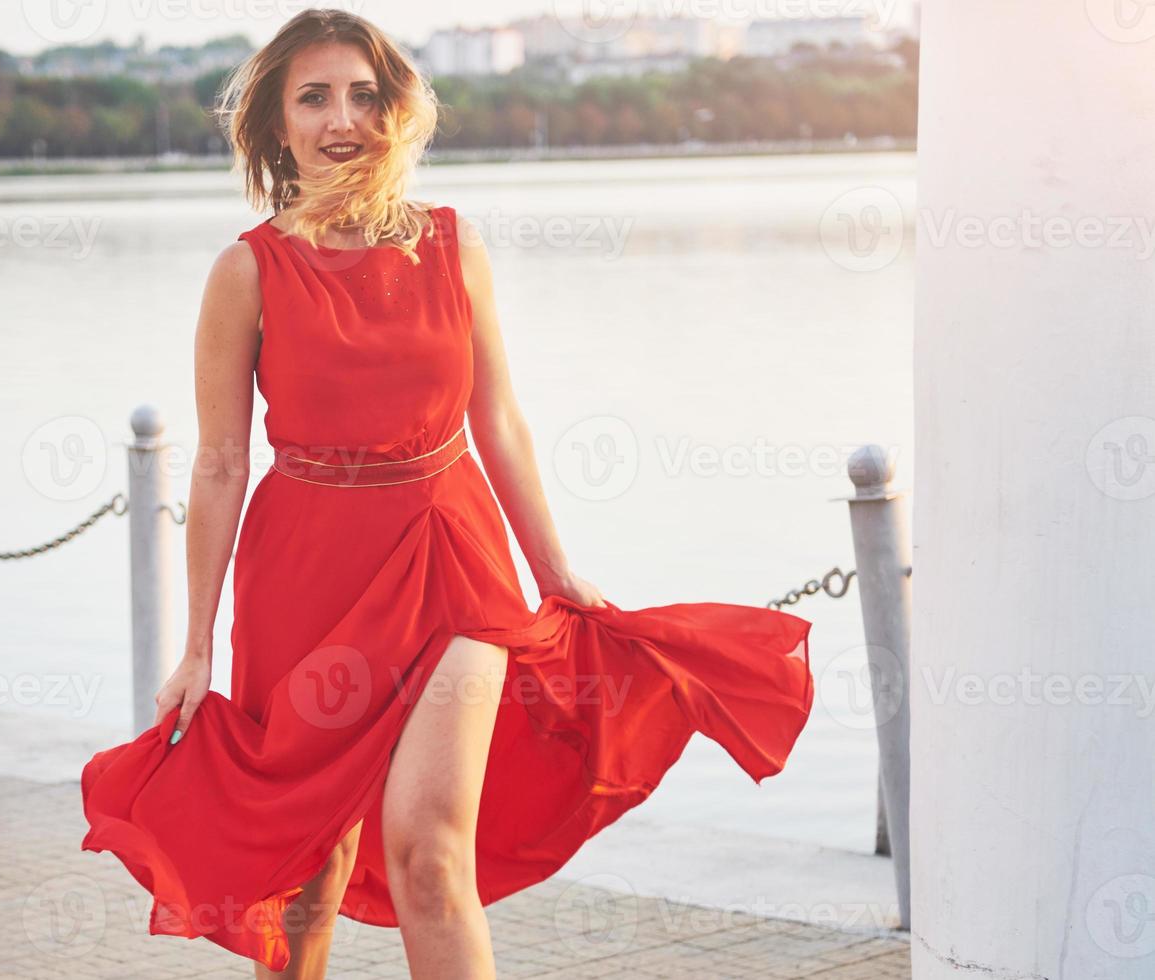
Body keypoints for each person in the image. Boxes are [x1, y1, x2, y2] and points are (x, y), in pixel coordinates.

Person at [80, 9, 814, 979]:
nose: (343, 118)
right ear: (275, 125)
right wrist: (195, 642)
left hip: (450, 552)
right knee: (310, 872)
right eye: (314, 97)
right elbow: (220, 461)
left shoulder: (454, 247)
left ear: (397, 113)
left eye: (364, 95)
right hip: (302, 576)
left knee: (429, 847)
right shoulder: (247, 272)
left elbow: (499, 419)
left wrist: (555, 571)